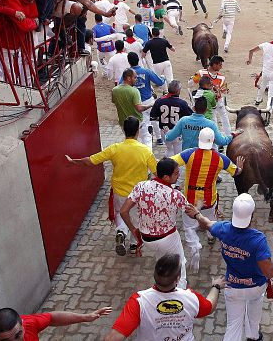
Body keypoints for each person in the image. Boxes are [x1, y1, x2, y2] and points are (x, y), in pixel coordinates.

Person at [184, 193, 273, 341]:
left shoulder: (223, 229)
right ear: (251, 216)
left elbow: (206, 223)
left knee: (234, 325)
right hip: (255, 287)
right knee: (254, 314)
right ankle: (253, 336)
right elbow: (269, 271)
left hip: (233, 287)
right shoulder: (258, 239)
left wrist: (197, 214)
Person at [66, 115, 156, 256]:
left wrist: (73, 161)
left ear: (124, 131)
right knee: (137, 218)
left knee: (121, 214)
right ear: (138, 131)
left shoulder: (114, 148)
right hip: (138, 193)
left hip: (120, 191)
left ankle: (121, 231)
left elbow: (90, 161)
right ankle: (133, 244)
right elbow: (157, 171)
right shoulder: (145, 151)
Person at [173, 128, 245, 272]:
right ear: (212, 141)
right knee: (210, 220)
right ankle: (210, 236)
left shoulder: (189, 153)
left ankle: (194, 246)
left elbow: (170, 162)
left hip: (190, 200)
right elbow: (236, 172)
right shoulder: (220, 158)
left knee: (188, 226)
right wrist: (240, 167)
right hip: (209, 199)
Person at [105, 254, 224, 341]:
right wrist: (216, 286)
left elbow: (112, 338)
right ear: (177, 279)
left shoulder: (139, 301)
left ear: (154, 274)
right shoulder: (191, 297)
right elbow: (210, 307)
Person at [119, 158, 189, 287]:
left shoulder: (141, 186)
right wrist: (199, 208)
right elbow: (191, 212)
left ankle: (163, 286)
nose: (179, 175)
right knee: (179, 265)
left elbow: (123, 211)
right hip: (168, 239)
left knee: (162, 260)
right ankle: (180, 293)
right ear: (166, 177)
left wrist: (134, 230)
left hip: (147, 240)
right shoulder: (175, 195)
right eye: (176, 173)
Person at [0, 306, 111, 341]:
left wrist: (85, 317)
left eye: (18, 335)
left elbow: (51, 318)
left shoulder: (28, 323)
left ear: (23, 326)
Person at [165, 96, 234, 153]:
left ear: (194, 108)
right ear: (206, 110)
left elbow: (169, 137)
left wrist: (167, 132)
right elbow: (221, 141)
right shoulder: (210, 124)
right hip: (204, 158)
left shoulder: (184, 120)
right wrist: (232, 135)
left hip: (187, 157)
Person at [125, 51, 166, 146]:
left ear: (129, 62)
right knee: (154, 119)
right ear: (138, 60)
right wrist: (163, 78)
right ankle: (159, 138)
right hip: (149, 100)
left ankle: (142, 143)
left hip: (136, 103)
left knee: (143, 124)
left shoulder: (127, 74)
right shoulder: (146, 71)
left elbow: (121, 85)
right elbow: (160, 82)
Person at [189, 55, 230, 137]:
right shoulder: (201, 73)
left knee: (224, 117)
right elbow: (190, 83)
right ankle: (216, 137)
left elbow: (225, 89)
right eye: (220, 65)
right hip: (208, 102)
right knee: (213, 118)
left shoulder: (222, 77)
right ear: (214, 65)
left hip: (218, 100)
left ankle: (228, 135)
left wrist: (224, 90)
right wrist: (194, 78)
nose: (221, 67)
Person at [150, 80, 193, 157]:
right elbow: (190, 117)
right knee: (178, 153)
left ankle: (168, 166)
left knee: (169, 149)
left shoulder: (159, 101)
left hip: (164, 131)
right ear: (178, 91)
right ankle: (176, 168)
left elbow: (153, 116)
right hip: (177, 132)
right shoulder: (182, 103)